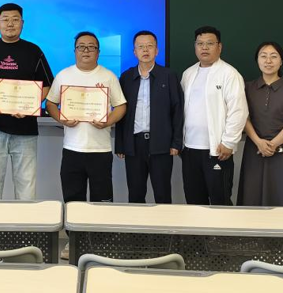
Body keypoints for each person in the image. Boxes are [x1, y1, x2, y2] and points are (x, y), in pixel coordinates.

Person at [0, 3, 53, 200]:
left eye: (15, 19)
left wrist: (30, 106)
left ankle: (25, 222)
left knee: (26, 186)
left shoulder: (34, 51)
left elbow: (48, 84)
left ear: (22, 23)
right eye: (5, 19)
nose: (10, 24)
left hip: (25, 130)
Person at [46, 32, 127, 206]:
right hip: (72, 149)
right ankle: (74, 226)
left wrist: (108, 121)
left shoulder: (109, 76)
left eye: (91, 47)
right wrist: (62, 119)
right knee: (73, 202)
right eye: (81, 47)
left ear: (98, 52)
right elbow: (51, 103)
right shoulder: (63, 75)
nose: (86, 50)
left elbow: (121, 106)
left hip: (100, 150)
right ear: (74, 51)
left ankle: (100, 225)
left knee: (102, 201)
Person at [179, 26, 247, 206]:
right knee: (194, 201)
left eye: (210, 43)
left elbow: (239, 110)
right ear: (195, 46)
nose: (204, 47)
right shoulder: (188, 73)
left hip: (217, 150)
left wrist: (229, 142)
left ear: (219, 47)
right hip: (190, 149)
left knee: (220, 202)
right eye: (200, 43)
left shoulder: (229, 74)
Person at [115, 30, 183, 204]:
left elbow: (177, 110)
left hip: (161, 144)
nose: (145, 50)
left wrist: (176, 143)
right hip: (134, 145)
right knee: (136, 194)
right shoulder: (127, 77)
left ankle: (164, 223)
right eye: (140, 47)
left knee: (162, 193)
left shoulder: (169, 76)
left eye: (149, 46)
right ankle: (137, 223)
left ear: (157, 50)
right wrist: (120, 144)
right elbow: (121, 111)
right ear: (134, 52)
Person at [238, 42, 283, 212]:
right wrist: (259, 142)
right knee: (252, 193)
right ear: (257, 60)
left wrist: (273, 144)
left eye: (274, 56)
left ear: (281, 61)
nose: (268, 61)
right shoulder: (246, 88)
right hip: (255, 148)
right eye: (263, 56)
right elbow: (243, 117)